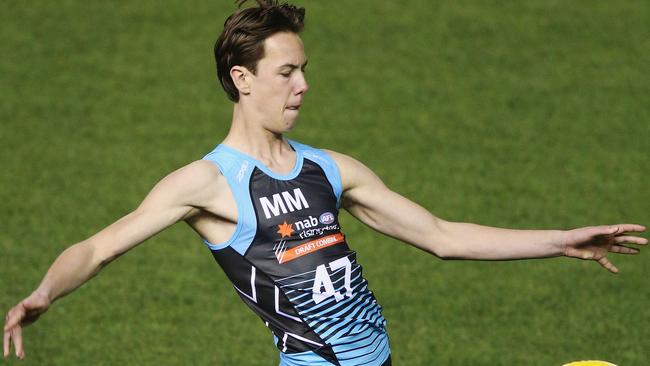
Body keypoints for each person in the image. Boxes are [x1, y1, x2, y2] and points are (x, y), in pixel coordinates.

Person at [3, 1, 647, 365]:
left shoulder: (330, 170)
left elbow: (442, 235)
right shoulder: (208, 183)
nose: (303, 85)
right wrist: (44, 293)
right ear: (241, 78)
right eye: (286, 72)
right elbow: (98, 247)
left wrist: (562, 240)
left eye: (304, 69)